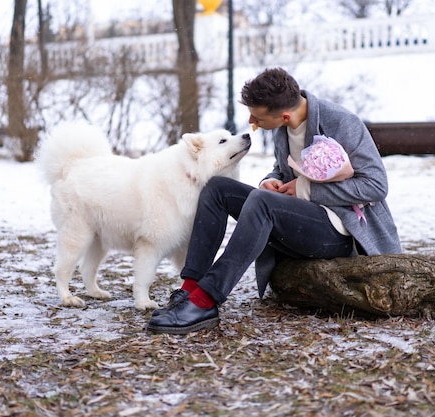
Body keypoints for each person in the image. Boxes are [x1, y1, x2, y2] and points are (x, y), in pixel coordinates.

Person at [146, 67, 401, 335]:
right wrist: (271, 180)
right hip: (298, 219)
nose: (250, 121)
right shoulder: (283, 126)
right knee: (217, 187)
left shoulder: (342, 122)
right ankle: (190, 290)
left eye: (256, 116)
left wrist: (305, 190)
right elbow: (283, 169)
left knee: (262, 203)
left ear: (285, 114)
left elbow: (375, 185)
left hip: (339, 231)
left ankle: (205, 301)